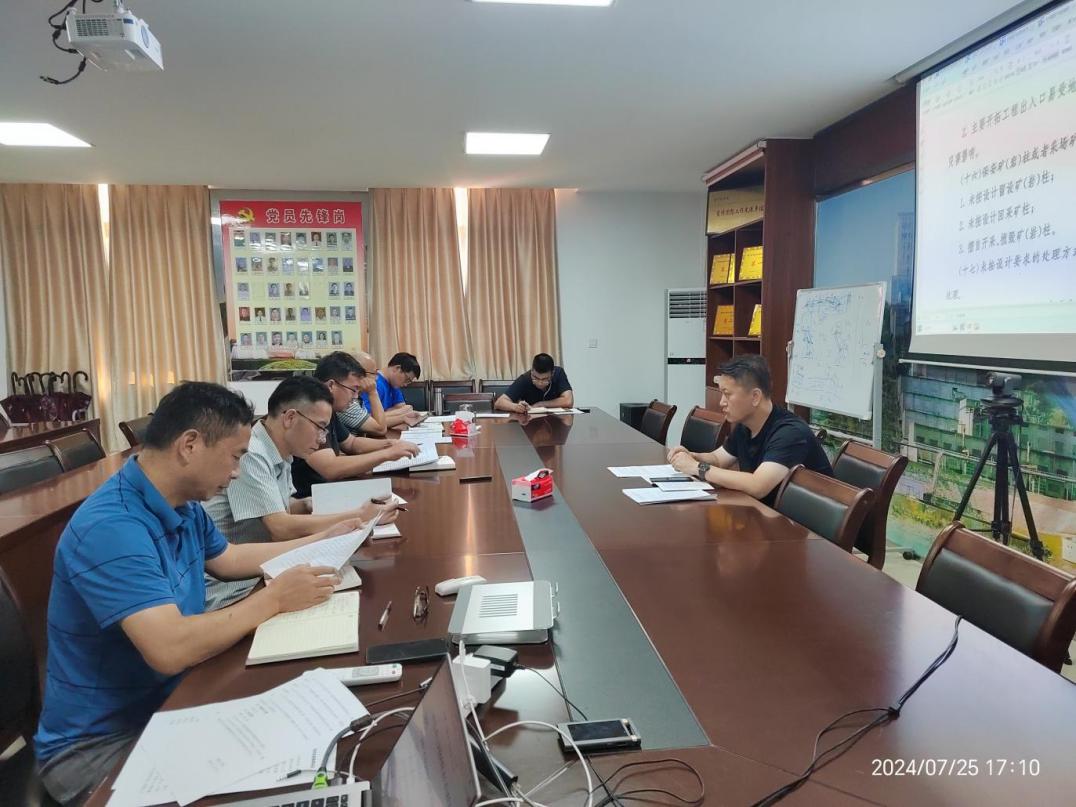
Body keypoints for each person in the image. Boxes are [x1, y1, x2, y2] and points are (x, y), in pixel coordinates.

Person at [33, 382, 362, 805]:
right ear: (189, 445)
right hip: (99, 746)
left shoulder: (180, 503)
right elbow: (169, 648)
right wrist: (274, 598)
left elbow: (229, 558)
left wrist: (321, 540)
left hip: (171, 704)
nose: (237, 472)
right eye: (235, 456)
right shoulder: (111, 527)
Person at [203, 376, 397, 610]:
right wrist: (359, 515)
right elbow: (280, 527)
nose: (322, 438)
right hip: (236, 589)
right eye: (320, 427)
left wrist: (307, 504)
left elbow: (282, 506)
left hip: (262, 570)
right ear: (290, 418)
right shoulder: (252, 453)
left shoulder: (281, 451)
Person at [667, 355, 832, 507]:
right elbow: (718, 459)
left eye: (727, 394)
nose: (721, 402)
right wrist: (693, 457)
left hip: (801, 526)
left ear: (755, 397)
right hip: (763, 514)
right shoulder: (745, 425)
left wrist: (697, 467)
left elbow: (758, 485)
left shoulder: (790, 432)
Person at [290, 352, 421, 498]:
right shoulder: (310, 410)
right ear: (331, 385)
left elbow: (351, 443)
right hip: (314, 498)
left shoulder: (329, 409)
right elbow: (330, 468)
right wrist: (387, 454)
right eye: (353, 389)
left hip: (330, 490)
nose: (356, 396)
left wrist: (391, 444)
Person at [359, 352, 424, 432]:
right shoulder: (373, 384)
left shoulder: (394, 384)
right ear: (397, 368)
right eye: (407, 379)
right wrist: (396, 414)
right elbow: (369, 419)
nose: (406, 384)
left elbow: (405, 409)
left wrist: (384, 413)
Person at [494, 353, 574, 413]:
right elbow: (499, 402)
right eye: (536, 378)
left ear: (552, 373)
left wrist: (540, 404)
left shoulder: (559, 373)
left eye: (545, 379)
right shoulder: (525, 379)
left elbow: (568, 401)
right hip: (531, 422)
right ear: (532, 371)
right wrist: (515, 407)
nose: (540, 383)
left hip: (556, 422)